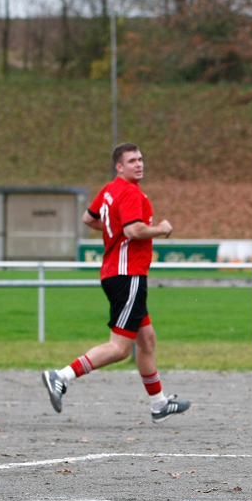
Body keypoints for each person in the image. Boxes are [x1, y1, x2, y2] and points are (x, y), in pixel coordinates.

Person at [42, 143, 191, 423]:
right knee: (121, 348)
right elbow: (133, 230)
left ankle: (159, 404)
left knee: (146, 340)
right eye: (132, 160)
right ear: (119, 167)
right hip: (128, 275)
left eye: (141, 159)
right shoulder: (130, 192)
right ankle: (61, 376)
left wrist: (113, 228)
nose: (139, 164)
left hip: (116, 273)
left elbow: (89, 218)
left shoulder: (110, 190)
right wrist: (161, 229)